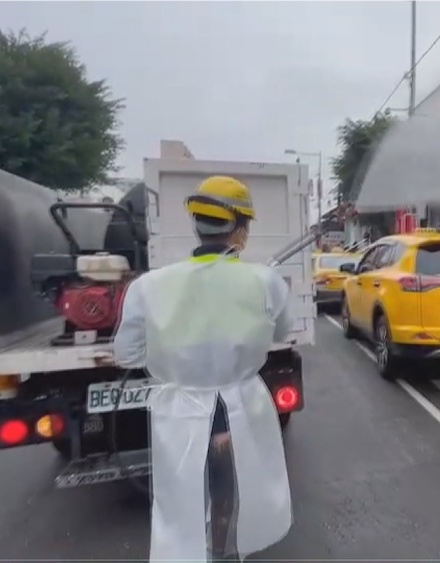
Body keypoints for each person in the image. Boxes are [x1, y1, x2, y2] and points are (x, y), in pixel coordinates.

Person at [112, 175, 294, 562]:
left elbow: (126, 355)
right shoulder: (265, 281)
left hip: (179, 415)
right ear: (240, 230)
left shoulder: (148, 286)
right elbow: (281, 332)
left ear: (196, 224)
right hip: (239, 410)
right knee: (231, 494)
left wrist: (174, 356)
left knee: (184, 501)